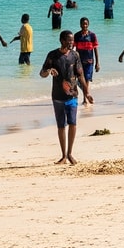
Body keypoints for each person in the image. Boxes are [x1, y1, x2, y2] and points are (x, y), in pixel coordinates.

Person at [40, 30, 92, 165]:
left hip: (72, 96)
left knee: (73, 123)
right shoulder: (53, 55)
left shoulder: (75, 55)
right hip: (57, 96)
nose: (71, 43)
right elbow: (42, 73)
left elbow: (80, 76)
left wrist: (87, 93)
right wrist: (49, 70)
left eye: (72, 40)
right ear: (62, 40)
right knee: (61, 126)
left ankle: (70, 153)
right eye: (69, 40)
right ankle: (63, 156)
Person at [74, 18, 100, 82]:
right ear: (80, 25)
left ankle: (86, 91)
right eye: (83, 24)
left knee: (87, 79)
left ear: (88, 25)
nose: (84, 26)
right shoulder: (77, 36)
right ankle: (85, 91)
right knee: (80, 79)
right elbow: (74, 49)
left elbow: (95, 49)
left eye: (86, 24)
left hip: (89, 62)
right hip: (79, 62)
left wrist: (97, 63)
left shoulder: (92, 36)